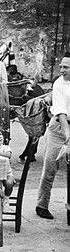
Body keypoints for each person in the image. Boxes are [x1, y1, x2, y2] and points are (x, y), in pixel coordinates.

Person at [35, 55, 70, 220]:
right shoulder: (58, 84)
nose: (62, 70)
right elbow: (61, 111)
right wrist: (67, 134)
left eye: (66, 67)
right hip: (57, 128)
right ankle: (41, 205)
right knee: (50, 167)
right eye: (61, 66)